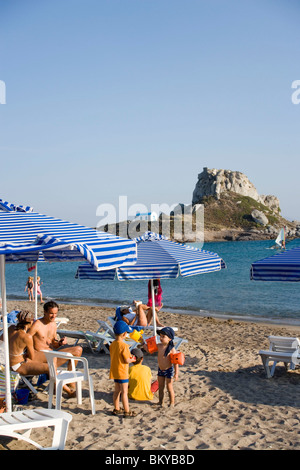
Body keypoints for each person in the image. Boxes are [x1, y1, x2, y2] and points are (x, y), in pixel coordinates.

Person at [28, 300, 83, 397]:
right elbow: (26, 339)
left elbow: (53, 344)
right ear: (45, 312)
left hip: (52, 355)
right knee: (52, 360)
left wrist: (60, 343)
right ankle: (68, 391)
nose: (54, 316)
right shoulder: (37, 324)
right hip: (40, 358)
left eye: (55, 314)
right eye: (51, 314)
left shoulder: (53, 324)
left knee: (78, 349)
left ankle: (71, 382)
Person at [0, 310, 49, 376]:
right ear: (31, 322)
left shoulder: (10, 328)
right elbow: (32, 357)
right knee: (48, 367)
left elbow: (2, 340)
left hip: (5, 362)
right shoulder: (27, 337)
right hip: (16, 366)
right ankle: (62, 386)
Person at [109, 320, 137, 418]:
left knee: (117, 391)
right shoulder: (124, 346)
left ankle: (116, 408)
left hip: (115, 370)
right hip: (122, 371)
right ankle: (127, 411)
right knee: (124, 392)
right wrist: (133, 359)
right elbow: (126, 360)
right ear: (124, 334)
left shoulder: (112, 344)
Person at [145, 327, 178, 407]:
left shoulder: (172, 349)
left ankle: (172, 403)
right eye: (160, 336)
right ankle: (160, 402)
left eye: (163, 336)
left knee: (169, 387)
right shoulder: (159, 346)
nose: (161, 338)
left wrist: (176, 374)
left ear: (170, 339)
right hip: (160, 369)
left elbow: (175, 363)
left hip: (169, 370)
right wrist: (142, 342)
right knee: (161, 386)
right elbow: (149, 350)